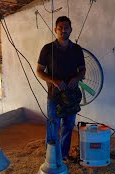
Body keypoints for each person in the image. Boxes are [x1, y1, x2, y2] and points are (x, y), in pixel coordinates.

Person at [36, 16, 86, 161]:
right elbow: (39, 71)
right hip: (54, 95)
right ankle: (51, 157)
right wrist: (54, 81)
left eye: (66, 27)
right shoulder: (47, 49)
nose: (63, 30)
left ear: (71, 29)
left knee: (69, 125)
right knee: (53, 125)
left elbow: (82, 70)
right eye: (60, 28)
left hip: (71, 96)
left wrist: (76, 78)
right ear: (55, 30)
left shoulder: (77, 49)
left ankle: (64, 154)